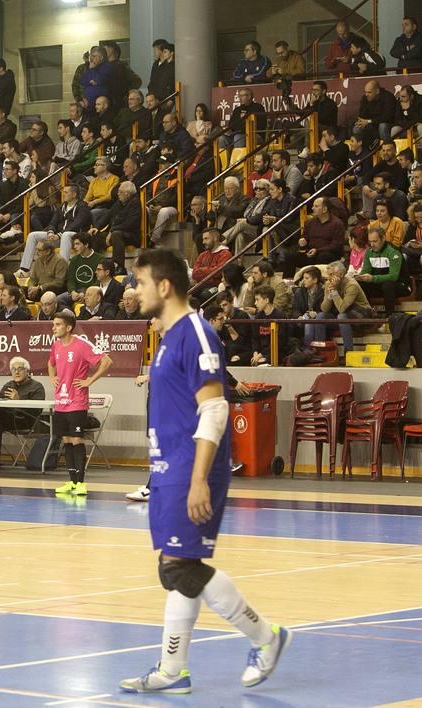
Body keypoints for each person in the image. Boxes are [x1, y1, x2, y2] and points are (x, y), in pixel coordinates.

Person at [120, 248, 289, 695]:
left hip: (191, 469)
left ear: (164, 286)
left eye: (139, 283)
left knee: (179, 569)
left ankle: (266, 638)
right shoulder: (169, 335)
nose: (134, 292)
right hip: (168, 468)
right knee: (175, 567)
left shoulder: (196, 332)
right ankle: (173, 673)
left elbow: (214, 409)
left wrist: (198, 479)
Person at [48, 310, 112, 497]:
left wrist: (90, 380)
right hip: (61, 401)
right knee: (66, 440)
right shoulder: (56, 346)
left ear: (68, 328)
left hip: (77, 401)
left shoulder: (82, 345)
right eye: (53, 324)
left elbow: (107, 361)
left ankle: (81, 483)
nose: (54, 328)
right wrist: (52, 377)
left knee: (76, 440)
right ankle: (71, 482)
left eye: (58, 325)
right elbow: (50, 362)